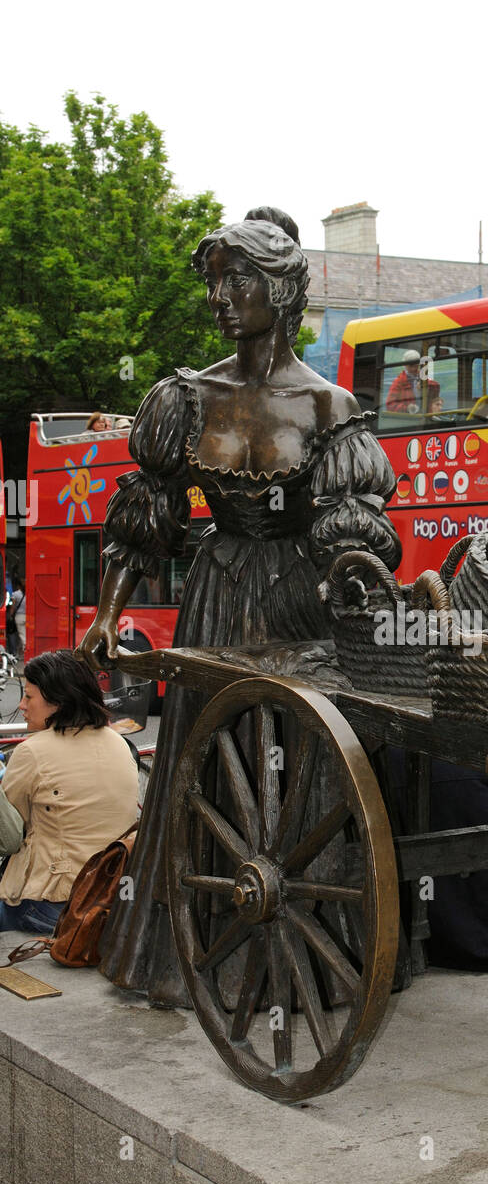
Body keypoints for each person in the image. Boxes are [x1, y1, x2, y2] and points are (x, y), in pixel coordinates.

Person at [77, 206, 401, 1004]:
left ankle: (314, 960)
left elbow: (352, 538)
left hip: (301, 604)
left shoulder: (331, 409)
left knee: (307, 770)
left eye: (241, 278)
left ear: (285, 292)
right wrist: (106, 612)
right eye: (216, 280)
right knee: (208, 769)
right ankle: (203, 953)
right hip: (218, 600)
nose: (222, 295)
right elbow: (144, 517)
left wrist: (359, 589)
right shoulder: (185, 398)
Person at [0, 650, 139, 936]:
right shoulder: (118, 743)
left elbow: (8, 836)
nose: (22, 705)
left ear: (58, 702)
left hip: (51, 905)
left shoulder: (33, 752)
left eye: (29, 697)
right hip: (112, 897)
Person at [385, 349, 441, 414]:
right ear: (405, 365)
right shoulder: (399, 382)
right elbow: (390, 405)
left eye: (416, 365)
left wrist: (425, 385)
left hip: (425, 416)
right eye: (411, 366)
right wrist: (407, 408)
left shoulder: (422, 377)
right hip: (409, 419)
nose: (414, 368)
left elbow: (436, 387)